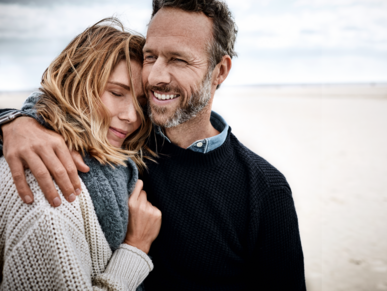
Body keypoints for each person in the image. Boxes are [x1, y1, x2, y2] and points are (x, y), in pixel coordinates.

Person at [0, 0, 306, 290]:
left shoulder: (265, 189)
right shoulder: (116, 141)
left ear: (220, 71)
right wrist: (17, 122)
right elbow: (71, 104)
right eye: (151, 56)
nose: (156, 76)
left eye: (178, 59)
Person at [0, 18, 161, 290]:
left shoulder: (114, 162)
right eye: (116, 92)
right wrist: (135, 249)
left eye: (141, 103)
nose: (132, 117)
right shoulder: (49, 188)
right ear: (75, 82)